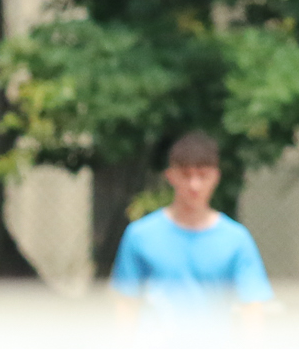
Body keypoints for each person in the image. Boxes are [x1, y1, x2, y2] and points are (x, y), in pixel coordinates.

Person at [109, 131, 274, 322]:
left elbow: (252, 308)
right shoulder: (140, 236)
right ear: (170, 176)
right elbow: (126, 305)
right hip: (156, 341)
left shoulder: (236, 240)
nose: (194, 185)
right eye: (186, 175)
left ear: (216, 177)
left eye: (202, 176)